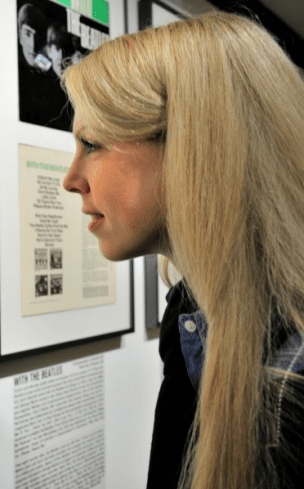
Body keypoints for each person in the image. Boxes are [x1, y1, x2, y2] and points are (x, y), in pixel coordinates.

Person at [61, 12, 304, 489]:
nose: (71, 180)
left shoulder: (288, 387)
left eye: (91, 143)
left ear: (193, 146)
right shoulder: (191, 316)